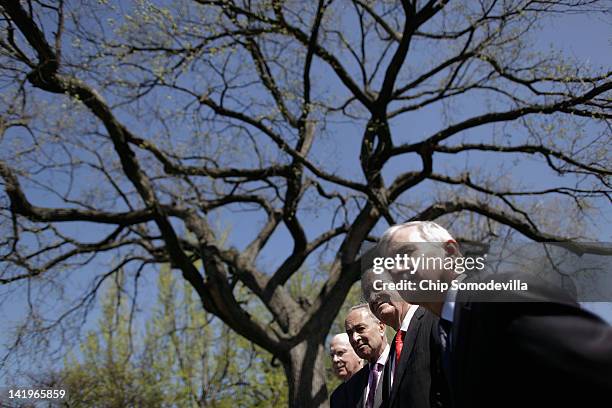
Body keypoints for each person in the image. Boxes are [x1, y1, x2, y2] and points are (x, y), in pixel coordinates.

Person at [369, 220, 612, 408]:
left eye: (406, 254)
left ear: (451, 253)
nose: (397, 269)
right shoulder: (445, 336)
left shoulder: (501, 298)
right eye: (388, 264)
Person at [361, 270, 448, 408]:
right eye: (367, 295)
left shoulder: (433, 319)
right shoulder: (392, 353)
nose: (372, 298)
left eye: (377, 286)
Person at [330, 305, 389, 408]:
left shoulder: (403, 362)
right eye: (350, 333)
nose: (354, 338)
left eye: (360, 329)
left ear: (381, 327)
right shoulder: (351, 387)